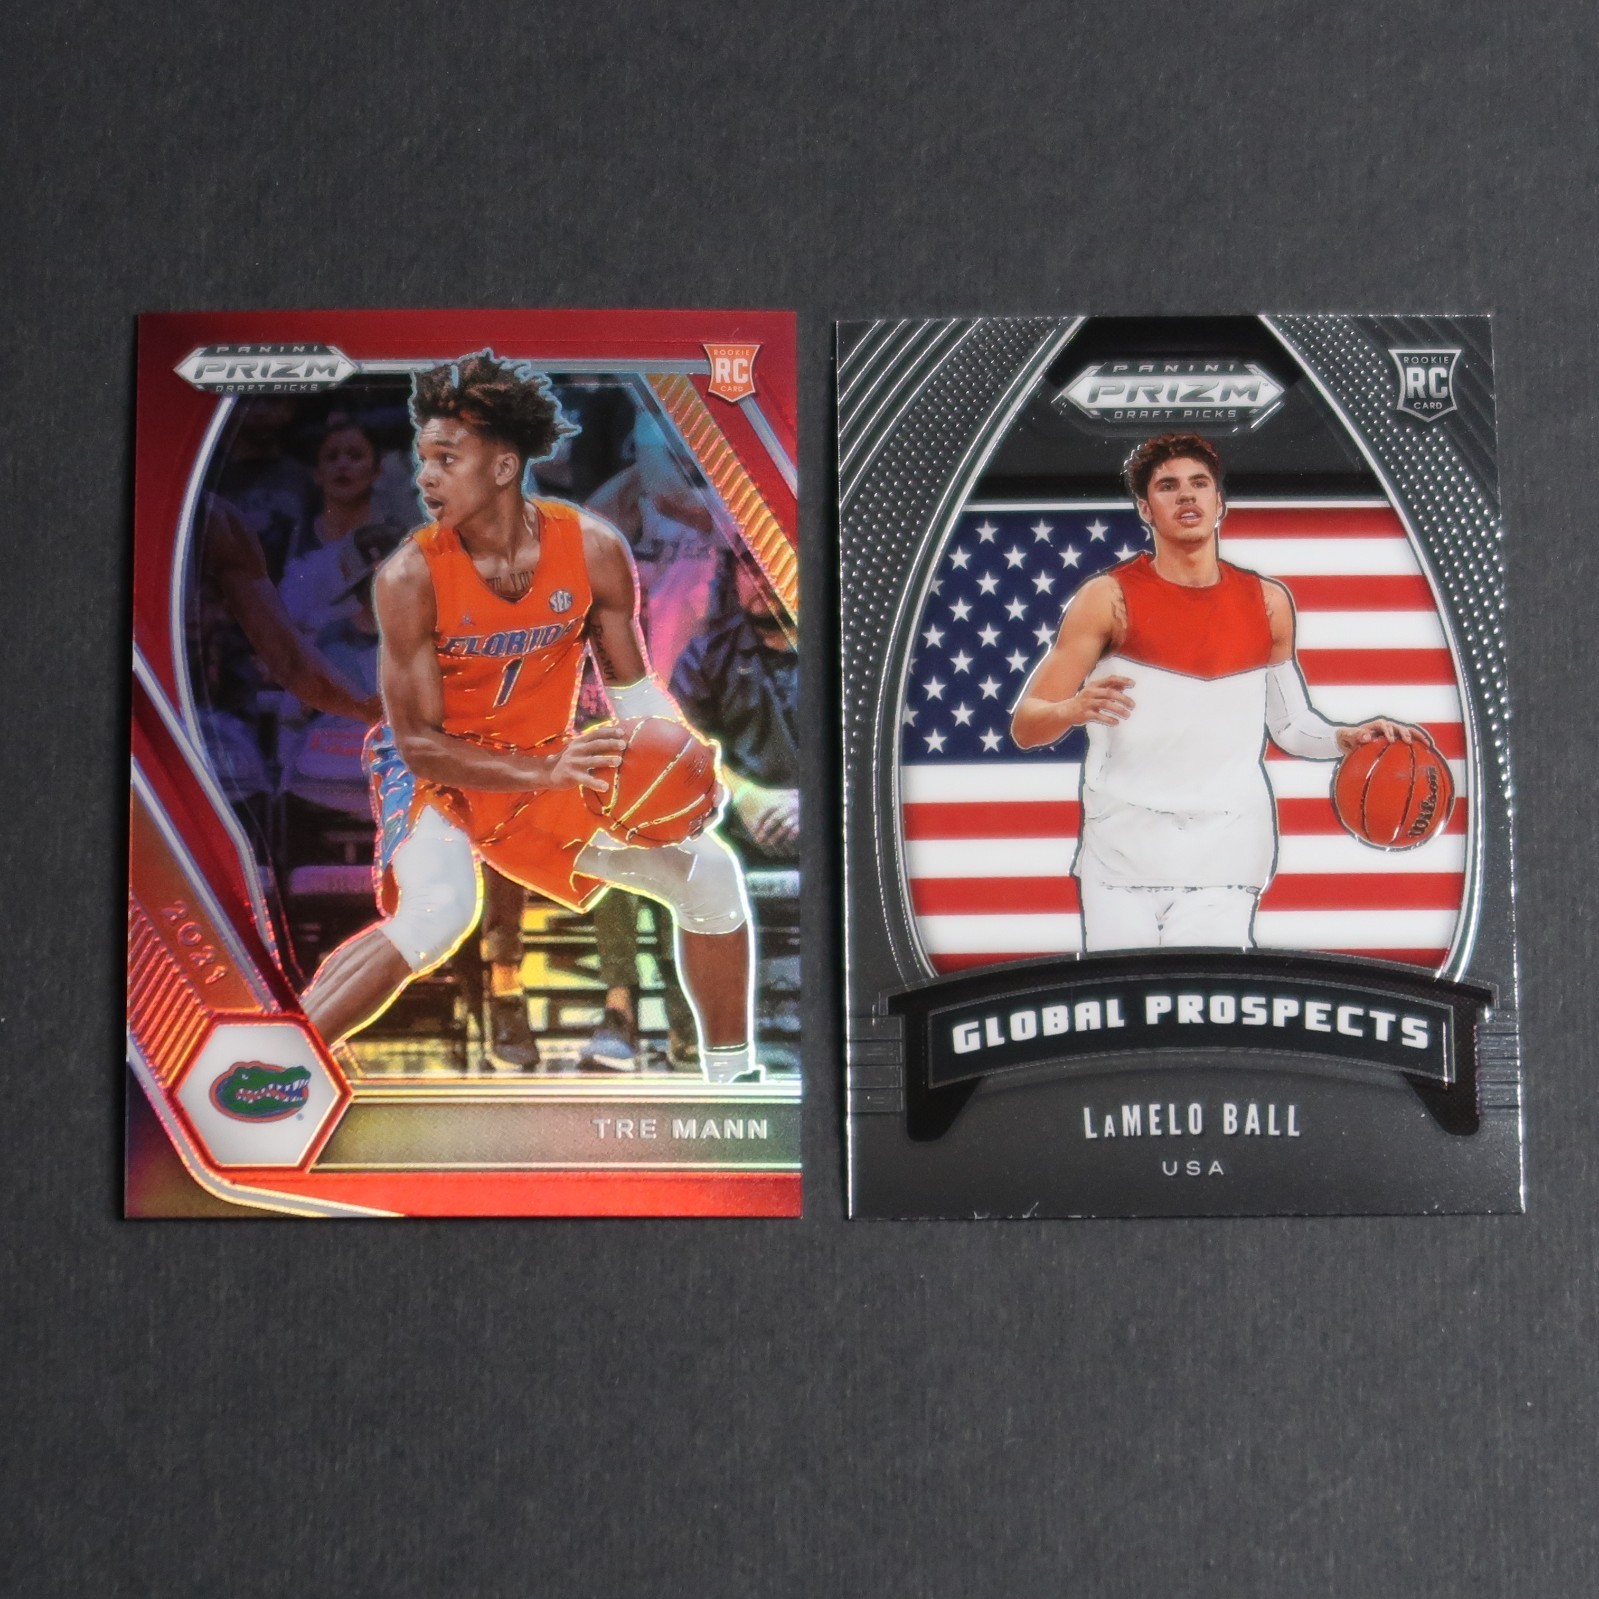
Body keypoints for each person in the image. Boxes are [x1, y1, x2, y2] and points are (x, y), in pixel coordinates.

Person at [301, 352, 759, 1084]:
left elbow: (634, 692)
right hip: (435, 772)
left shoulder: (592, 548)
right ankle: (275, 1065)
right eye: (424, 459)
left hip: (541, 761)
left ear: (504, 466)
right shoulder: (409, 576)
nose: (425, 478)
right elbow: (418, 744)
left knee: (709, 873)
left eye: (446, 459)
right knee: (438, 912)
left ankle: (732, 1081)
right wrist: (547, 769)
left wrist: (687, 765)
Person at [1010, 432, 1420, 953]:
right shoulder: (1107, 598)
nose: (1186, 495)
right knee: (1127, 1001)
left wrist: (1345, 738)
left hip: (1226, 850)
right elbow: (1027, 724)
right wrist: (1071, 709)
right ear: (1145, 509)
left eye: (1199, 483)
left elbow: (1290, 726)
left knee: (1201, 1000)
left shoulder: (1268, 602)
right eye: (1168, 486)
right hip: (1121, 852)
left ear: (1219, 502)